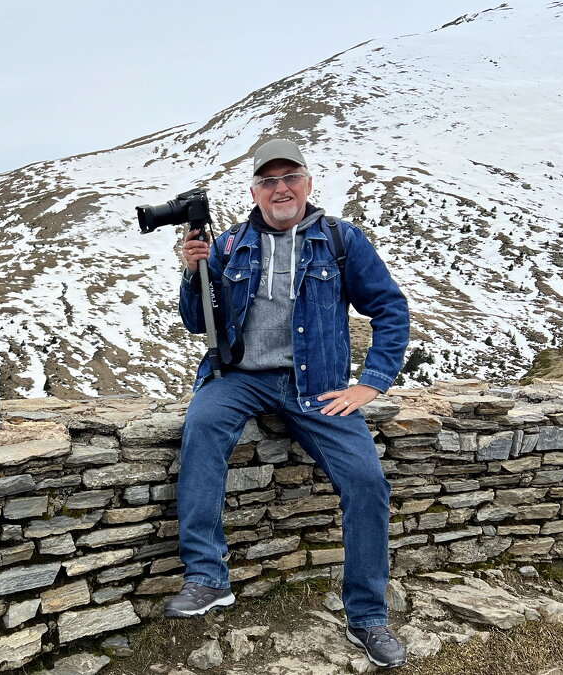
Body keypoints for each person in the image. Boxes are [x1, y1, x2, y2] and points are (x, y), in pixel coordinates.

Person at [167, 138, 411, 668]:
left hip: (316, 386)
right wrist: (193, 274)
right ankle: (208, 577)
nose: (281, 188)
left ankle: (367, 615)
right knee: (201, 431)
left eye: (290, 178)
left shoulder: (340, 240)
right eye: (268, 181)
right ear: (254, 191)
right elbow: (196, 324)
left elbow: (390, 308)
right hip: (239, 378)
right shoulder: (230, 243)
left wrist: (371, 382)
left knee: (366, 481)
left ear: (307, 183)